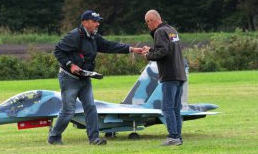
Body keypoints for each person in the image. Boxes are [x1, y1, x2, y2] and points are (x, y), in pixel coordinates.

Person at [48, 10, 143, 145]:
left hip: (84, 77)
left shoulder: (93, 37)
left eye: (98, 21)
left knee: (91, 107)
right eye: (95, 21)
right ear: (85, 23)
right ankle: (54, 137)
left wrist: (132, 49)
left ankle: (94, 139)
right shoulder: (74, 36)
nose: (98, 24)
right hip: (69, 78)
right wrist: (70, 65)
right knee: (69, 111)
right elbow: (58, 51)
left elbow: (109, 45)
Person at [142, 10, 187, 146]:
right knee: (175, 108)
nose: (147, 25)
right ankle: (178, 136)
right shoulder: (172, 30)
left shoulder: (159, 32)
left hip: (169, 75)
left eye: (147, 22)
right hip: (179, 74)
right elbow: (169, 49)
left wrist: (148, 56)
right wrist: (150, 49)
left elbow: (163, 51)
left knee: (167, 108)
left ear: (151, 20)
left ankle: (173, 137)